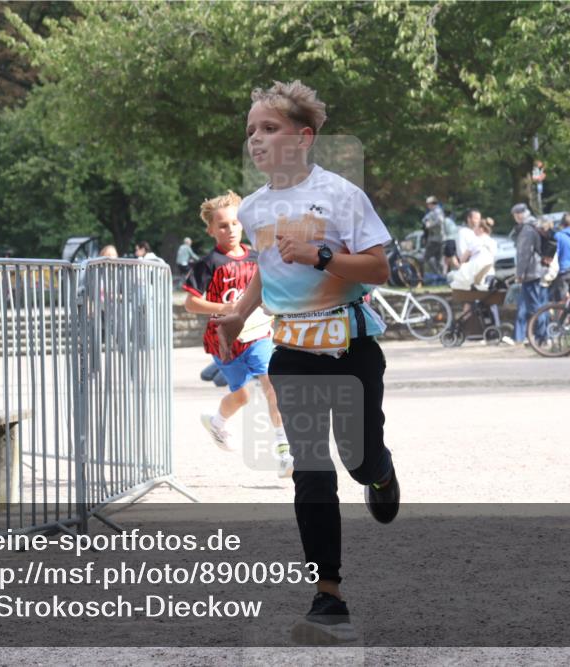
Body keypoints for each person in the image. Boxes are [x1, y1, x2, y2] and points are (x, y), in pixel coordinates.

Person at [216, 80, 399, 645]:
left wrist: (322, 255)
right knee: (311, 471)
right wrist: (236, 315)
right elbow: (269, 275)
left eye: (268, 129)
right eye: (251, 131)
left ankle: (379, 471)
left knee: (358, 458)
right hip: (292, 353)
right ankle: (329, 597)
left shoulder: (342, 195)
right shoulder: (252, 208)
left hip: (351, 350)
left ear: (303, 137)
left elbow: (377, 270)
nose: (257, 140)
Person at [184, 191, 293, 478]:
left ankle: (284, 452)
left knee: (272, 387)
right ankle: (217, 422)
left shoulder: (257, 256)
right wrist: (227, 307)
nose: (230, 229)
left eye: (234, 223)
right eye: (222, 225)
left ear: (242, 223)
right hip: (224, 342)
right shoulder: (208, 263)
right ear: (210, 230)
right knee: (242, 396)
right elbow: (190, 302)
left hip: (258, 335)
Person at [511, 203, 546, 344]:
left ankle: (541, 337)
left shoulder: (526, 229)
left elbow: (523, 254)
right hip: (542, 271)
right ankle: (539, 336)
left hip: (532, 272)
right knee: (541, 304)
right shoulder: (537, 224)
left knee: (535, 307)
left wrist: (519, 274)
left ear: (519, 215)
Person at [553, 213, 570, 300]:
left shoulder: (558, 236)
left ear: (562, 225)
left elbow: (554, 254)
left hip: (563, 272)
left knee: (563, 300)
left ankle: (563, 310)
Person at [420, 196, 445, 274]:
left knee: (424, 258)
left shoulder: (437, 211)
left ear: (431, 204)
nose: (427, 206)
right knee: (439, 260)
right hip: (438, 239)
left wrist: (429, 225)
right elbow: (424, 220)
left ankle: (420, 276)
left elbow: (440, 221)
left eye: (428, 204)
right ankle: (440, 277)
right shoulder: (433, 212)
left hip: (435, 239)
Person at [440, 208, 460, 273]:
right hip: (454, 240)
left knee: (452, 258)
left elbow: (443, 232)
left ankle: (461, 270)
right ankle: (446, 274)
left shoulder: (445, 220)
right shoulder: (451, 221)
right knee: (446, 259)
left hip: (449, 241)